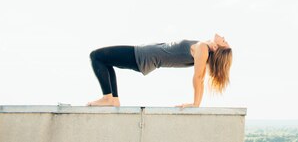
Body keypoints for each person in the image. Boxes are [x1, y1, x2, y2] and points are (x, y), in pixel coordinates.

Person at [86, 33, 232, 107]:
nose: (224, 37)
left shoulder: (203, 48)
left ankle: (108, 97)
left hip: (143, 56)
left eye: (224, 42)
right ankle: (113, 99)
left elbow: (199, 78)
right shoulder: (203, 48)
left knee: (96, 56)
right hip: (144, 55)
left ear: (216, 48)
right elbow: (200, 75)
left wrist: (195, 104)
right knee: (105, 61)